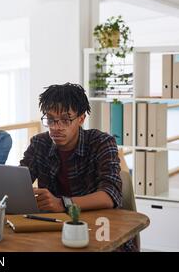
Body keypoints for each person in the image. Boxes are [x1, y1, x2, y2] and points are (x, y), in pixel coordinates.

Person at [20, 82, 136, 251]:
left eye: (66, 120)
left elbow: (109, 196)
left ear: (81, 119)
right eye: (50, 119)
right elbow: (19, 182)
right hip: (55, 230)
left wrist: (62, 204)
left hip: (100, 229)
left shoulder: (102, 143)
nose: (56, 127)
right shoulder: (40, 143)